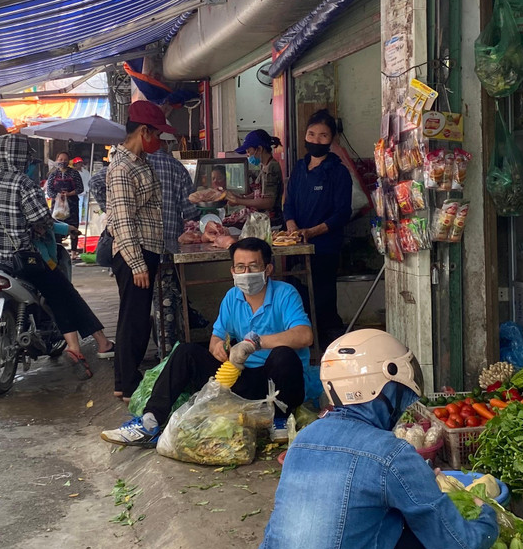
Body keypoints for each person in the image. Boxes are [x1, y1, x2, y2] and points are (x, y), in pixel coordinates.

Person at [248, 329, 498, 549]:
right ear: (384, 388)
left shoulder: (304, 438)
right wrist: (487, 517)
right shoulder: (391, 454)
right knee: (430, 539)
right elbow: (456, 547)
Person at [100, 237, 310, 446]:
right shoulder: (232, 297)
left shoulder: (285, 293)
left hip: (278, 384)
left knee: (283, 355)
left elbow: (304, 335)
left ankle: (280, 419)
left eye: (253, 266)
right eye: (240, 267)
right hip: (241, 378)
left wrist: (255, 342)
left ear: (268, 269)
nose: (246, 273)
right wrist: (218, 347)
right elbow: (216, 338)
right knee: (185, 352)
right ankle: (150, 421)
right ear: (233, 271)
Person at [0, 133, 114, 375]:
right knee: (60, 290)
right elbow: (40, 218)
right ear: (21, 157)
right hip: (18, 259)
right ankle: (76, 346)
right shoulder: (24, 184)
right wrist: (41, 226)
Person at [106, 99, 175, 400]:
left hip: (146, 248)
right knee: (133, 319)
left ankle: (124, 380)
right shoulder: (122, 168)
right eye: (157, 134)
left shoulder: (139, 162)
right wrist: (137, 264)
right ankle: (127, 383)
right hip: (134, 251)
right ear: (143, 131)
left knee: (135, 317)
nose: (158, 140)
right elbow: (123, 220)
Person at [283, 109, 353, 348]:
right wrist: (292, 226)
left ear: (332, 139)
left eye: (323, 135)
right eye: (311, 134)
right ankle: (305, 344)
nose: (316, 140)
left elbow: (342, 213)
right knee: (299, 297)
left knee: (323, 300)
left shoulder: (338, 172)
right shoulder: (299, 168)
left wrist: (312, 232)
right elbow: (288, 204)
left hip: (324, 249)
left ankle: (328, 349)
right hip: (296, 248)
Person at [146, 135, 198, 350]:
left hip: (138, 247)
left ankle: (141, 352)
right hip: (167, 247)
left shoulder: (136, 162)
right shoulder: (175, 166)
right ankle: (168, 353)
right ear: (166, 143)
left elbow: (96, 182)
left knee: (141, 302)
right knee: (166, 302)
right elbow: (191, 210)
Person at [227, 129, 283, 224]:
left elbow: (268, 202)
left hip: (271, 221)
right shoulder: (264, 165)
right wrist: (243, 198)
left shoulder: (271, 167)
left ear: (259, 149)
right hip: (261, 219)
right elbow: (260, 192)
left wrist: (239, 201)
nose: (247, 155)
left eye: (249, 151)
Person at [44, 153, 83, 254]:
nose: (63, 161)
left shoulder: (74, 173)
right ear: (57, 160)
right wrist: (58, 197)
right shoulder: (53, 174)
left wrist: (69, 194)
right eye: (61, 159)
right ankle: (58, 250)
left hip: (72, 205)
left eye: (65, 159)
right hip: (57, 206)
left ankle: (73, 252)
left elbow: (80, 188)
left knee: (73, 227)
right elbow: (49, 191)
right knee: (57, 226)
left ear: (68, 161)